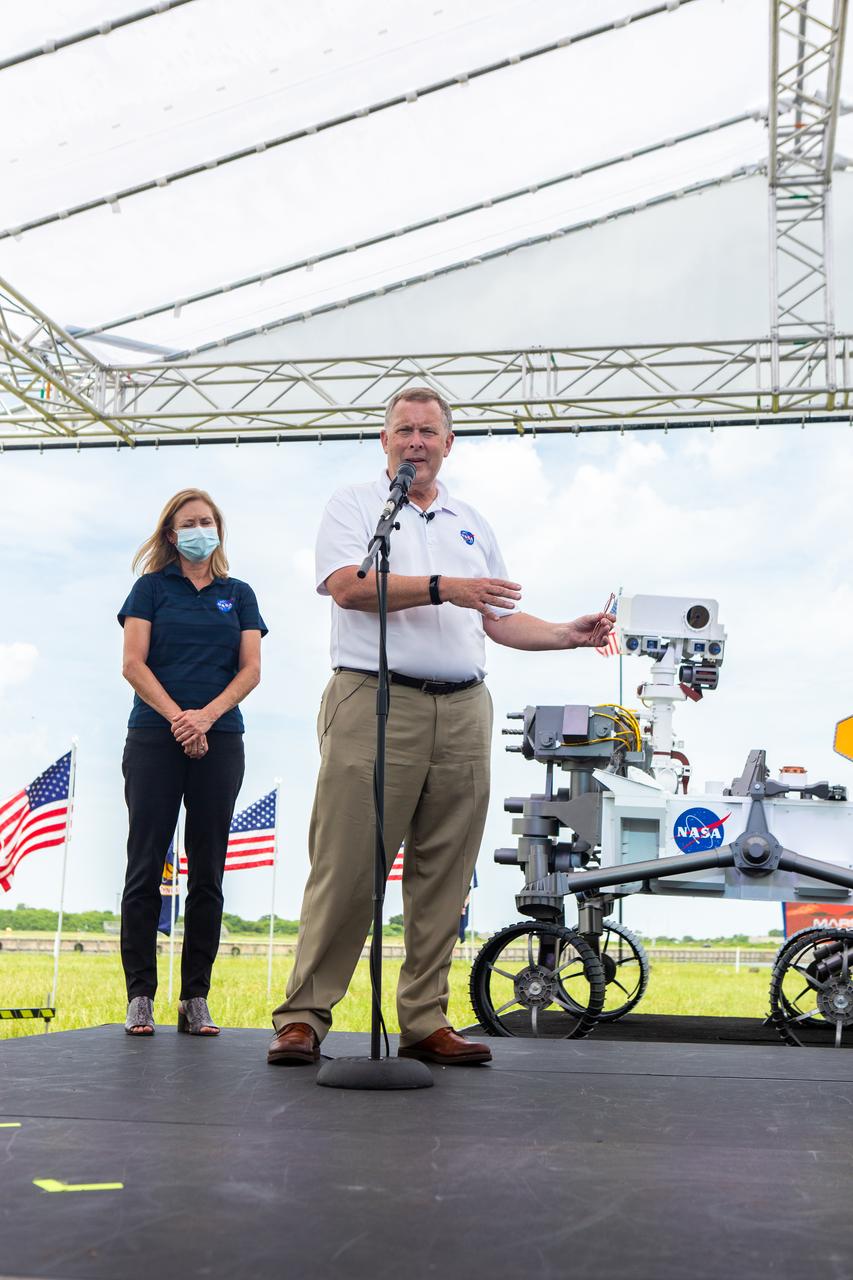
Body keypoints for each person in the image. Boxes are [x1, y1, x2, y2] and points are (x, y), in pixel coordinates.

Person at [267, 387, 613, 1066]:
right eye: (403, 430)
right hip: (371, 698)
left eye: (428, 431)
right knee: (345, 867)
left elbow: (499, 618)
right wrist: (442, 587)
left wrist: (567, 635)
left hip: (461, 707)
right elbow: (347, 586)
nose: (415, 441)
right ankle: (304, 1017)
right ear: (383, 441)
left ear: (448, 443)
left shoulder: (471, 523)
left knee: (444, 872)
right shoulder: (355, 505)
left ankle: (423, 1019)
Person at [118, 488, 267, 1036]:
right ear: (171, 534)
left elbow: (250, 670)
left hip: (221, 740)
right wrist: (180, 718)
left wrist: (205, 718)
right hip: (154, 739)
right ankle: (140, 996)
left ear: (219, 530)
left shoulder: (239, 594)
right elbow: (133, 664)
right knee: (145, 866)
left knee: (208, 871)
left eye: (207, 521)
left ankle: (194, 997)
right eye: (189, 523)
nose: (199, 529)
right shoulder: (150, 589)